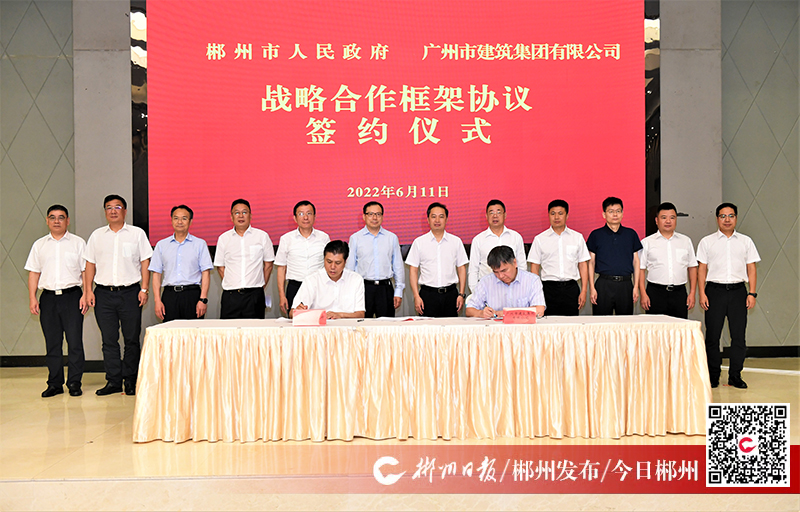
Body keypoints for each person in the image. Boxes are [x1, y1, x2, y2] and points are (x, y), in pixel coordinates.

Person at [84, 195, 153, 396]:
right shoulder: (97, 236)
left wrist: (144, 289)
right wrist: (88, 290)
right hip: (103, 294)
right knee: (109, 340)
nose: (113, 211)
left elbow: (145, 262)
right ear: (105, 212)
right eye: (109, 207)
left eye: (117, 207)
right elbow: (90, 264)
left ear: (125, 211)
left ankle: (130, 380)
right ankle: (113, 381)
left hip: (130, 293)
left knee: (131, 339)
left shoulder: (137, 234)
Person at [25, 205, 89, 398]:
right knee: (52, 343)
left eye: (61, 217)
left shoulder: (78, 243)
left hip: (73, 297)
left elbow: (85, 271)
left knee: (74, 342)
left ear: (67, 221)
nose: (56, 221)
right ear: (47, 221)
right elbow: (34, 273)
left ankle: (74, 383)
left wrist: (87, 293)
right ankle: (54, 383)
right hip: (48, 298)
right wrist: (32, 298)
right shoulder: (39, 245)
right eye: (52, 217)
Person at [697, 202, 760, 389]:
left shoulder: (746, 241)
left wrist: (752, 293)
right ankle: (713, 376)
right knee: (712, 337)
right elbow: (702, 269)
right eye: (723, 216)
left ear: (736, 218)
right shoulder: (706, 242)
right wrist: (702, 293)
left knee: (738, 337)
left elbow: (751, 268)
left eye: (731, 216)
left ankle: (735, 376)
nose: (727, 219)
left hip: (738, 292)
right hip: (714, 292)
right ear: (717, 218)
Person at [149, 205, 213, 321]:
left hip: (192, 295)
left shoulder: (200, 244)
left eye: (184, 218)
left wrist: (203, 299)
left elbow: (205, 273)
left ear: (190, 221)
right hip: (170, 296)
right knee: (170, 331)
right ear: (171, 220)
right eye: (176, 218)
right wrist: (157, 301)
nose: (180, 222)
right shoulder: (161, 245)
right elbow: (156, 274)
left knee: (193, 331)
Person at [214, 199, 274, 319]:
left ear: (250, 215)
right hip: (230, 296)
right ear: (231, 217)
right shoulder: (224, 238)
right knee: (229, 330)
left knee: (254, 330)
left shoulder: (262, 236)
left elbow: (268, 265)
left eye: (244, 212)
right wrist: (233, 282)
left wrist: (259, 286)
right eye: (237, 213)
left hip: (254, 295)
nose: (241, 216)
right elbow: (220, 267)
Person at [528, 199, 590, 316]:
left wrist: (584, 290)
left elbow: (583, 265)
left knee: (571, 324)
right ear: (548, 215)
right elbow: (534, 268)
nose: (556, 217)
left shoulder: (577, 237)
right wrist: (537, 293)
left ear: (567, 216)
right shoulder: (540, 239)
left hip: (571, 289)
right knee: (549, 324)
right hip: (548, 289)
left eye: (560, 213)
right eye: (553, 213)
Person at [406, 202, 468, 317]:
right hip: (427, 295)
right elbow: (413, 270)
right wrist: (416, 296)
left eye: (441, 216)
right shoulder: (419, 242)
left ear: (446, 219)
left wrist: (461, 294)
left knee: (450, 327)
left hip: (451, 295)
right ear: (428, 219)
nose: (437, 220)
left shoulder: (456, 241)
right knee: (427, 328)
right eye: (433, 216)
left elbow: (461, 268)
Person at [638, 202, 698, 319]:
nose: (668, 221)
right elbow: (640, 270)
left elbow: (692, 267)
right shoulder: (647, 242)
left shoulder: (685, 241)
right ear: (656, 220)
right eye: (664, 217)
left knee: (679, 328)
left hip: (679, 293)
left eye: (672, 218)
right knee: (655, 328)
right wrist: (643, 294)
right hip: (655, 293)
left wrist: (692, 293)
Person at [346, 201, 404, 317]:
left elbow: (398, 266)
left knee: (386, 325)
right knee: (362, 324)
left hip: (385, 288)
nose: (374, 218)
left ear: (382, 216)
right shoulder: (355, 238)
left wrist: (399, 291)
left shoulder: (391, 238)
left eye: (378, 214)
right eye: (371, 214)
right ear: (364, 216)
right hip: (363, 288)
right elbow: (350, 268)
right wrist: (350, 292)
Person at [586, 197, 642, 315]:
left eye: (618, 211)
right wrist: (592, 288)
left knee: (625, 322)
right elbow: (591, 263)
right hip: (603, 284)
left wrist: (635, 286)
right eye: (611, 211)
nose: (615, 214)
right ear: (604, 214)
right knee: (601, 322)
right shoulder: (596, 235)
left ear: (622, 213)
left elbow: (636, 262)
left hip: (625, 284)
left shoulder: (631, 234)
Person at [275, 200, 330, 315]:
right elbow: (281, 268)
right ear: (295, 218)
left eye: (309, 213)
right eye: (301, 214)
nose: (305, 217)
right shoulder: (286, 239)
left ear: (314, 216)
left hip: (318, 287)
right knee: (296, 320)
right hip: (295, 286)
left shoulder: (324, 238)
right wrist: (282, 295)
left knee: (319, 319)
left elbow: (329, 264)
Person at [466, 245, 546, 318]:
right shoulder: (485, 282)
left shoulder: (532, 280)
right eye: (496, 272)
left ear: (515, 263)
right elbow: (469, 310)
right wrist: (481, 313)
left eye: (504, 270)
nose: (501, 276)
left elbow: (539, 310)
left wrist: (505, 313)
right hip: (495, 328)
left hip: (524, 327)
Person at [291, 241, 365, 319]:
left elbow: (360, 314)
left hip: (347, 325)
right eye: (329, 262)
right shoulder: (312, 279)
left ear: (345, 261)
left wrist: (340, 315)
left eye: (338, 263)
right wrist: (297, 311)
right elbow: (292, 313)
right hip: (319, 324)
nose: (332, 267)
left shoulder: (356, 279)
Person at [468, 199, 526, 293]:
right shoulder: (478, 240)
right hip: (487, 289)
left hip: (512, 288)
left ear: (505, 215)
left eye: (498, 212)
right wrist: (476, 292)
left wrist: (520, 288)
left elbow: (522, 265)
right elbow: (473, 269)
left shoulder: (515, 237)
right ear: (486, 216)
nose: (495, 216)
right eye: (491, 213)